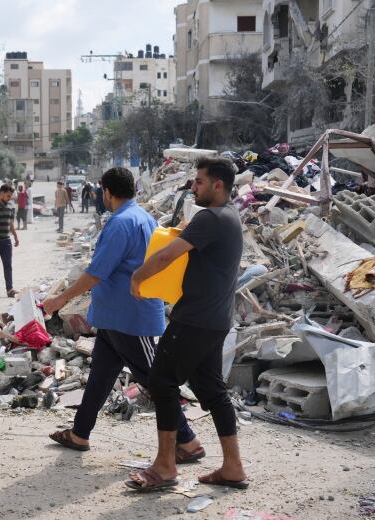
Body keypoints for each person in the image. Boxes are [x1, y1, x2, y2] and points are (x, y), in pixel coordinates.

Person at [44, 167, 204, 459]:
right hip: (115, 317)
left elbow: (96, 273)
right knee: (101, 376)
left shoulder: (120, 223)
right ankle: (80, 433)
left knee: (156, 379)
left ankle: (187, 441)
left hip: (130, 317)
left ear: (107, 192)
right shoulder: (144, 217)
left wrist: (61, 299)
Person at [126, 156, 247, 492]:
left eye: (199, 182)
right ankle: (233, 467)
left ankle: (165, 466)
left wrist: (138, 277)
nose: (194, 187)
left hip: (193, 319)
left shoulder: (210, 217)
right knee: (213, 391)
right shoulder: (230, 217)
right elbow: (187, 242)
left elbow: (168, 255)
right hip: (216, 320)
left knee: (162, 381)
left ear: (217, 185)